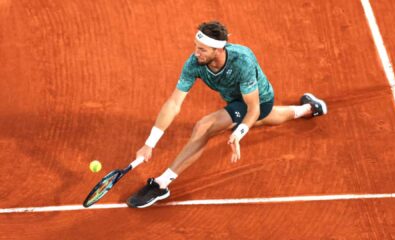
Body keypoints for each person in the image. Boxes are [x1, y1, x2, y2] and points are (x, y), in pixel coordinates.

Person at [126, 21, 327, 208]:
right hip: (236, 101)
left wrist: (239, 132)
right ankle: (307, 109)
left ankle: (162, 184)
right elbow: (174, 102)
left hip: (258, 102)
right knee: (262, 120)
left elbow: (253, 108)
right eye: (196, 46)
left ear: (219, 49)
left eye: (202, 49)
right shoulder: (194, 63)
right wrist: (149, 144)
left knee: (204, 127)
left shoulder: (242, 62)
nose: (196, 53)